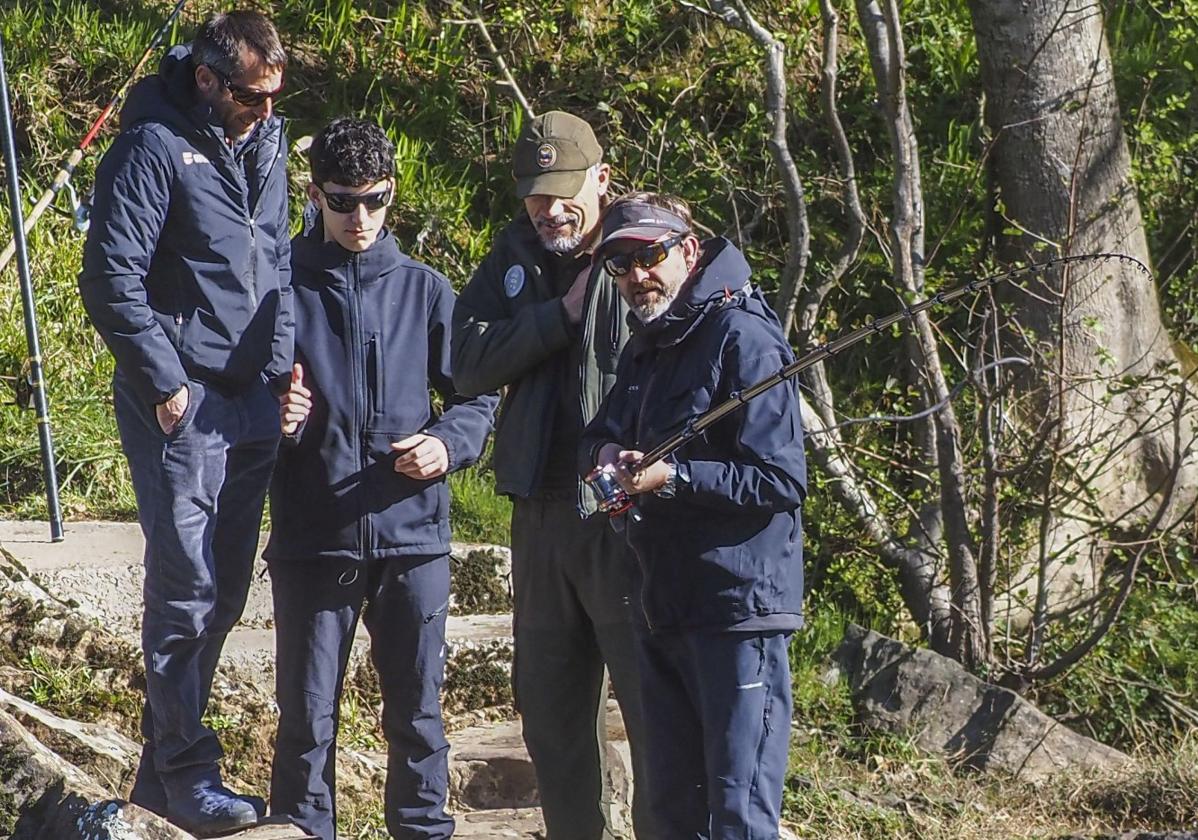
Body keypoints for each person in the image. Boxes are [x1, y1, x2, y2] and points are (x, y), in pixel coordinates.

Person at [78, 10, 291, 837]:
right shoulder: (151, 147)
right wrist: (166, 382)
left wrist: (285, 367)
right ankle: (189, 773)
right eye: (251, 96)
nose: (267, 112)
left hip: (254, 398)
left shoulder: (265, 142)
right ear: (207, 78)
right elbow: (109, 279)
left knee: (228, 590)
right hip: (183, 402)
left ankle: (160, 773)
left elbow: (276, 258)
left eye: (277, 96)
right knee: (186, 586)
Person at [265, 117, 496, 840]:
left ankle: (422, 831)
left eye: (375, 200)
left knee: (419, 714)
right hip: (315, 538)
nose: (360, 218)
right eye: (342, 201)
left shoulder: (427, 290)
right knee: (306, 720)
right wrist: (281, 416)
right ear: (314, 195)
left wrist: (446, 445)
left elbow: (478, 395)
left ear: (392, 195)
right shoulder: (279, 285)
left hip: (413, 539)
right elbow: (240, 404)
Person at [580, 192, 807, 838]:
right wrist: (606, 460)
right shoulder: (645, 346)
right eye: (618, 266)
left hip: (739, 616)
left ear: (687, 250)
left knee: (738, 816)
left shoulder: (747, 337)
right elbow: (597, 435)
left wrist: (671, 477)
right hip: (663, 607)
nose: (634, 277)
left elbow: (780, 478)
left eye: (648, 256)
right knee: (671, 815)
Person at [452, 111, 651, 838]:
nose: (551, 209)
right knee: (551, 715)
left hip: (627, 518)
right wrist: (557, 317)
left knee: (651, 704)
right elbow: (464, 360)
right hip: (539, 511)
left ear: (602, 179)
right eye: (537, 194)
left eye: (564, 191)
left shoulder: (646, 250)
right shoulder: (514, 254)